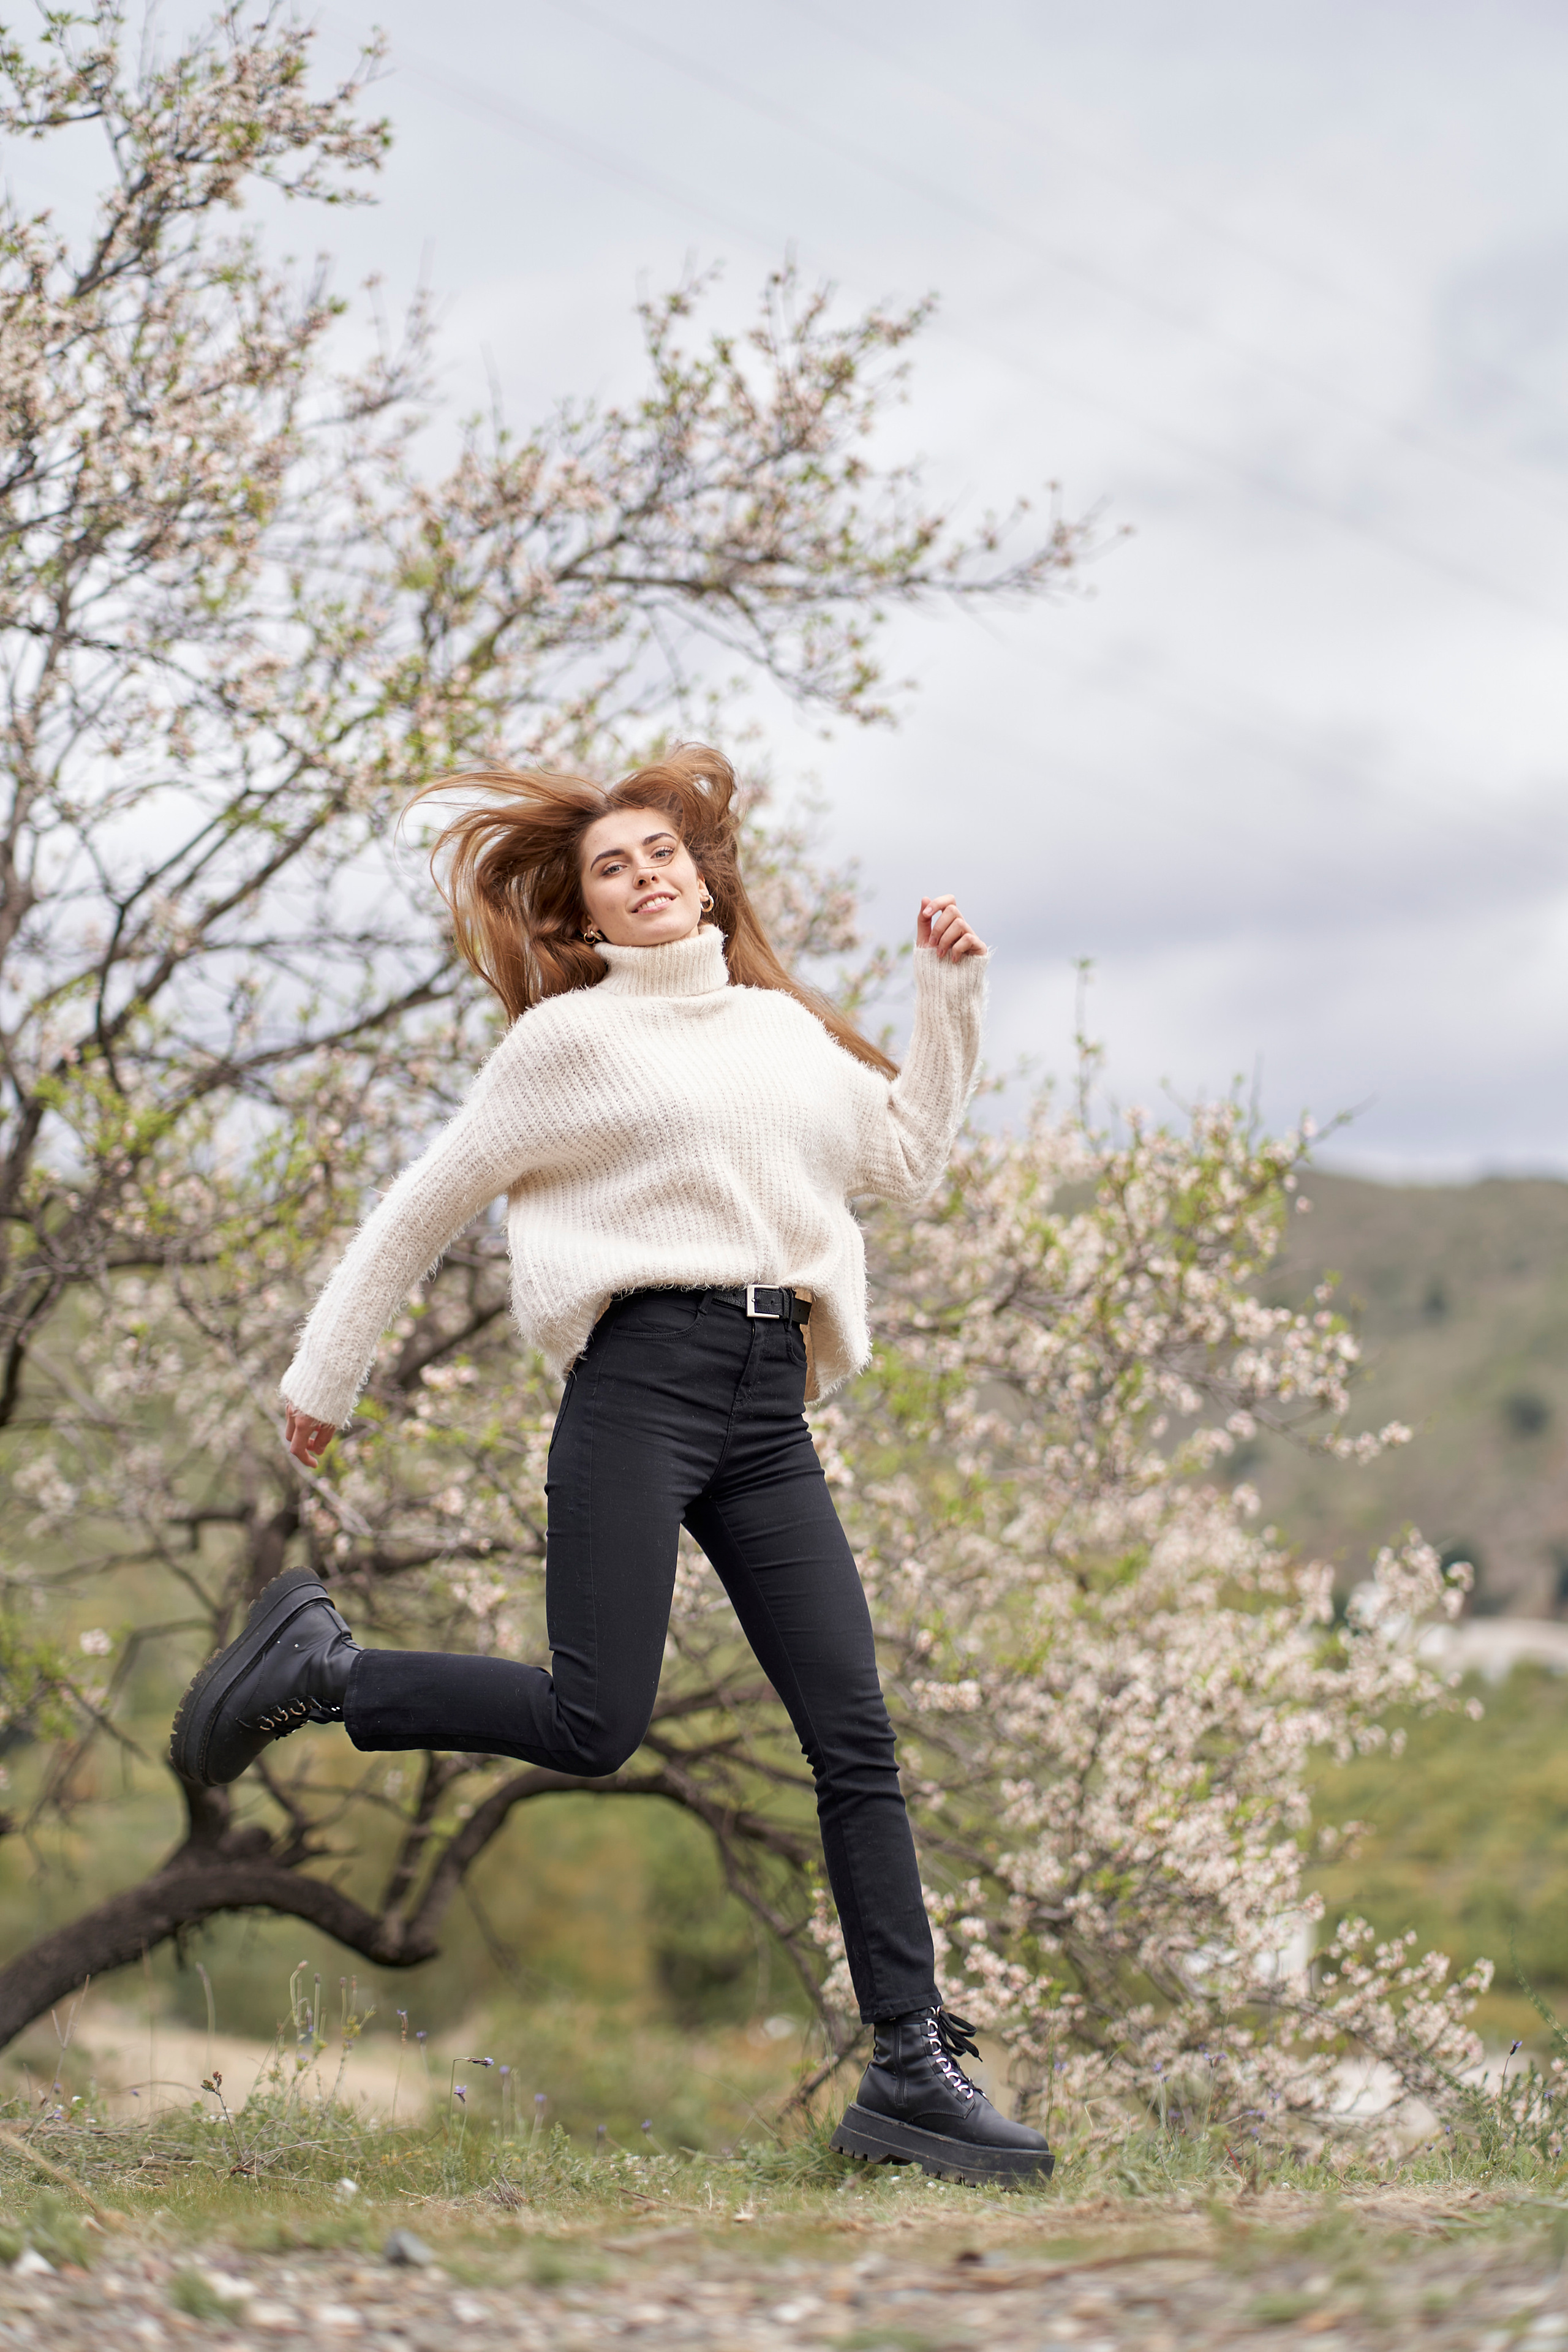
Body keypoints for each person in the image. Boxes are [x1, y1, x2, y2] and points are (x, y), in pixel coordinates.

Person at [168, 745, 1051, 2185]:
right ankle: (325, 1671)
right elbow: (422, 1202)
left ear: (702, 873)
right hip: (637, 1387)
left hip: (770, 1410)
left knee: (856, 1738)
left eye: (662, 855)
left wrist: (948, 996)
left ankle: (911, 2069)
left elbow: (906, 1163)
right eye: (612, 869)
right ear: (581, 917)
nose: (647, 877)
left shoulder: (778, 1031)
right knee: (595, 1722)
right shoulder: (566, 1045)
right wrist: (323, 1379)